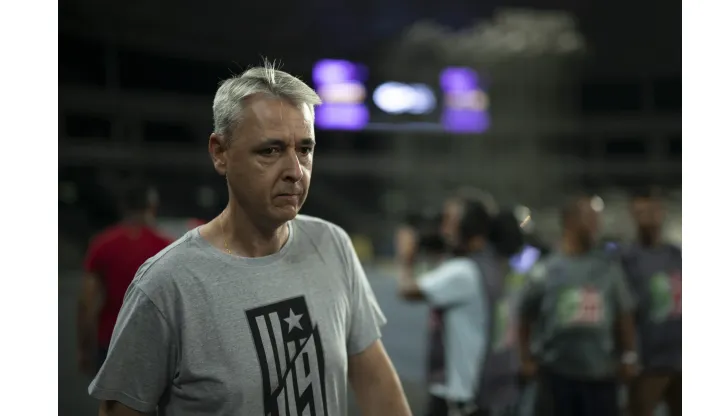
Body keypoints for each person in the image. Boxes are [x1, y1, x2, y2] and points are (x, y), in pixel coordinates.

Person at [88, 63, 411, 416]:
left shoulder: (331, 244)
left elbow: (377, 384)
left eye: (304, 149)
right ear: (220, 153)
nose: (294, 171)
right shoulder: (168, 285)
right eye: (270, 150)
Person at [396, 190, 524, 416]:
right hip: (485, 395)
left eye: (449, 221)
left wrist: (406, 256)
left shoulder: (463, 272)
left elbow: (407, 291)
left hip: (460, 399)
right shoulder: (492, 264)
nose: (443, 230)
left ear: (467, 226)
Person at [517, 195, 638, 416]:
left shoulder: (608, 270)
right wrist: (525, 358)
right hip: (557, 376)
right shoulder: (546, 270)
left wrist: (628, 356)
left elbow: (624, 314)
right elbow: (524, 315)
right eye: (590, 219)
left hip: (601, 375)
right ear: (570, 221)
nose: (596, 226)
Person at [77, 184, 172, 377]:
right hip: (155, 343)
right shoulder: (167, 247)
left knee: (112, 406)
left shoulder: (103, 244)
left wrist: (85, 348)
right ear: (152, 206)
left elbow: (87, 303)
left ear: (123, 207)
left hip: (112, 340)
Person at [622, 188, 681, 416]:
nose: (647, 217)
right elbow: (623, 311)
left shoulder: (676, 256)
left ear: (662, 212)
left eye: (652, 210)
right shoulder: (628, 259)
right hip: (649, 362)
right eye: (641, 212)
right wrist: (628, 355)